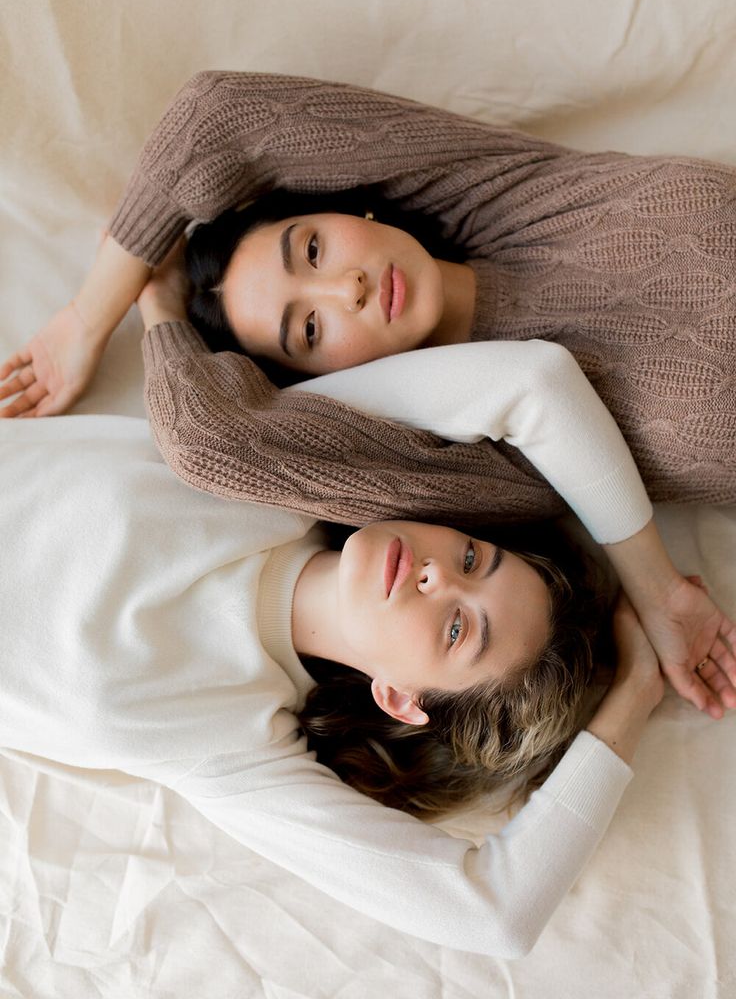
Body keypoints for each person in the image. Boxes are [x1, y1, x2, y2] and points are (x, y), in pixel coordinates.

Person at [2, 72, 736, 716]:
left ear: (353, 213)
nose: (345, 287)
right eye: (309, 328)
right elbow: (207, 440)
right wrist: (156, 312)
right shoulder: (470, 465)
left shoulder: (487, 192)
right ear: (320, 377)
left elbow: (217, 116)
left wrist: (85, 317)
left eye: (314, 249)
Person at [0, 391, 671, 957]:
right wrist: (653, 580)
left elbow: (495, 915)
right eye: (471, 558)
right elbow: (532, 382)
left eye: (457, 628)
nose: (437, 576)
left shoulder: (236, 743)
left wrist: (636, 689)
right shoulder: (290, 456)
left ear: (402, 700)